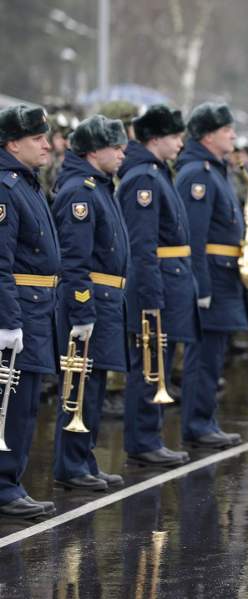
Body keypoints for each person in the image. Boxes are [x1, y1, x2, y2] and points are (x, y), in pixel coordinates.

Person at [51, 115, 131, 491]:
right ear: (93, 150)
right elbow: (75, 259)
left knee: (94, 384)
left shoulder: (100, 186)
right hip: (90, 302)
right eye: (115, 146)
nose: (122, 152)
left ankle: (83, 458)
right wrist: (82, 309)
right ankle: (71, 463)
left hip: (106, 299)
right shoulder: (80, 192)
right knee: (80, 383)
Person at [117, 104, 196, 468]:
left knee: (158, 364)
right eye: (174, 137)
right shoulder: (144, 180)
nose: (181, 143)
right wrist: (150, 295)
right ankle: (143, 440)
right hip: (156, 284)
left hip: (169, 280)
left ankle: (151, 437)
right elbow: (142, 245)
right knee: (149, 365)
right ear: (154, 139)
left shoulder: (156, 172)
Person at [175, 102, 248, 449]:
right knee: (203, 356)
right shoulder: (198, 175)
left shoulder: (215, 170)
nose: (233, 134)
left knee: (214, 354)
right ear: (206, 136)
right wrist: (200, 286)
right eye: (225, 129)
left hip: (225, 276)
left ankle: (205, 419)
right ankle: (197, 423)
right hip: (212, 279)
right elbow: (195, 237)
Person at [0, 104, 59, 519]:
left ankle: (12, 481)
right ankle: (4, 486)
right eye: (37, 138)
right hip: (19, 308)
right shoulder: (5, 188)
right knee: (12, 404)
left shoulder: (26, 183)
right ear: (12, 143)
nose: (47, 144)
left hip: (38, 308)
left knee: (27, 403)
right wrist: (7, 322)